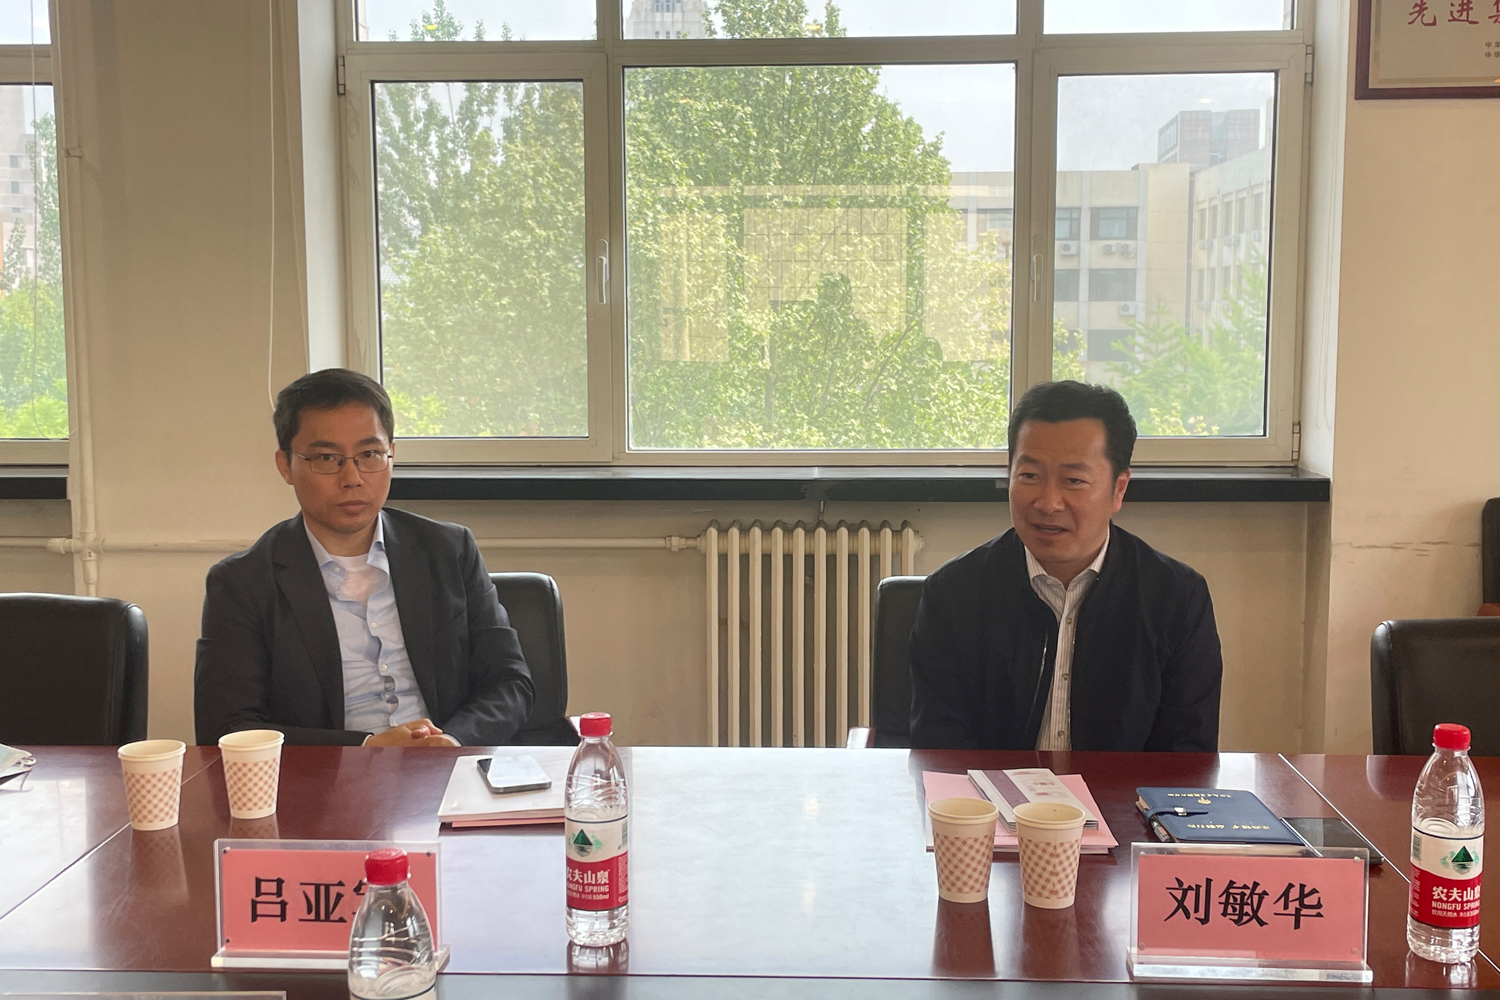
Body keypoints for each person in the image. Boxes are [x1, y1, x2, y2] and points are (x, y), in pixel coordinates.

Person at [194, 368, 534, 747]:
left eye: (369, 454)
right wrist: (367, 749)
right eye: (327, 457)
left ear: (391, 455)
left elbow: (509, 681)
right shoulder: (242, 583)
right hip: (327, 776)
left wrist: (452, 742)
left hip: (448, 763)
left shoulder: (449, 551)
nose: (352, 477)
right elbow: (228, 727)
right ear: (285, 465)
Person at [908, 380, 1222, 751]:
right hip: (990, 790)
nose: (1048, 503)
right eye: (1029, 476)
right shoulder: (954, 593)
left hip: (1120, 792)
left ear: (1118, 489)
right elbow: (940, 748)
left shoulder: (1176, 599)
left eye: (1074, 480)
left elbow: (1186, 756)